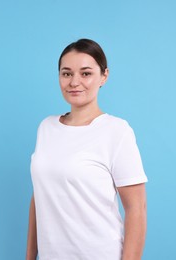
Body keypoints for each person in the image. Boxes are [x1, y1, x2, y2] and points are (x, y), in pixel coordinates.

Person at [26, 39, 148, 260]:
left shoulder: (116, 131)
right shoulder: (46, 127)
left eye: (85, 73)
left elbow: (137, 209)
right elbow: (40, 196)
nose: (74, 82)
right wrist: (29, 256)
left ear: (104, 76)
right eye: (66, 73)